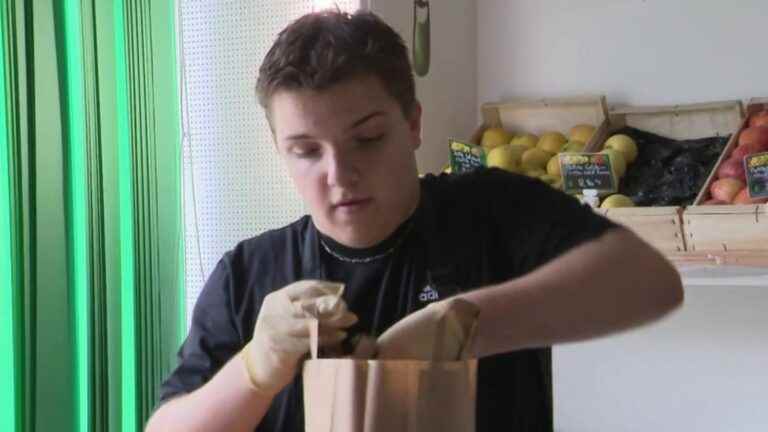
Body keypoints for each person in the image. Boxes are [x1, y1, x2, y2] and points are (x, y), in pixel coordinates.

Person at [145, 9, 683, 432]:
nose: (340, 173)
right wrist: (256, 368)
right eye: (306, 150)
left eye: (368, 138)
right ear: (279, 151)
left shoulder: (491, 212)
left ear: (413, 124)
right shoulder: (248, 273)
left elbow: (650, 283)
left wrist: (466, 323)